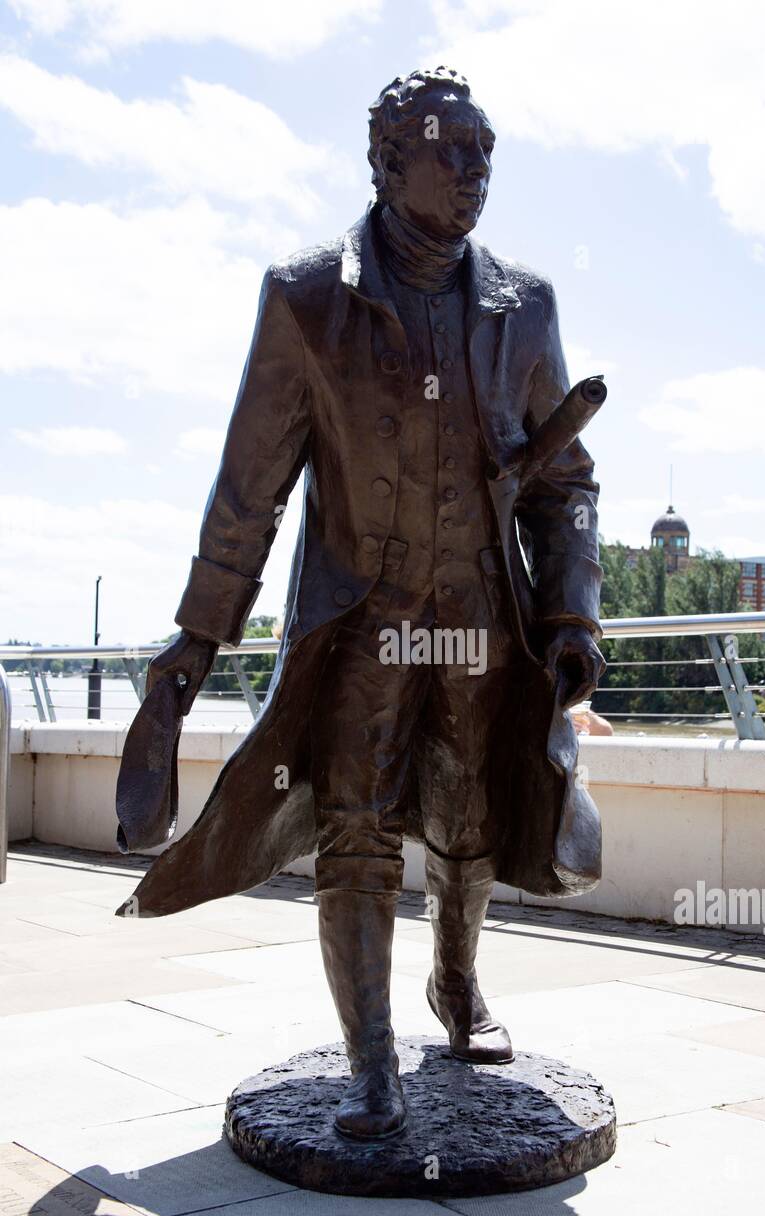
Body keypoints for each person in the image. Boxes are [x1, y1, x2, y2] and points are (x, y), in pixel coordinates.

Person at [120, 67, 605, 1140]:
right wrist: (198, 641)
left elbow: (563, 486)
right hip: (361, 619)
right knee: (354, 829)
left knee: (472, 824)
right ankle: (372, 1063)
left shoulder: (523, 307)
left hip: (482, 615)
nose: (476, 171)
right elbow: (251, 487)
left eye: (486, 152)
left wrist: (571, 618)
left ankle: (455, 983)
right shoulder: (305, 298)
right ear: (388, 161)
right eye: (453, 151)